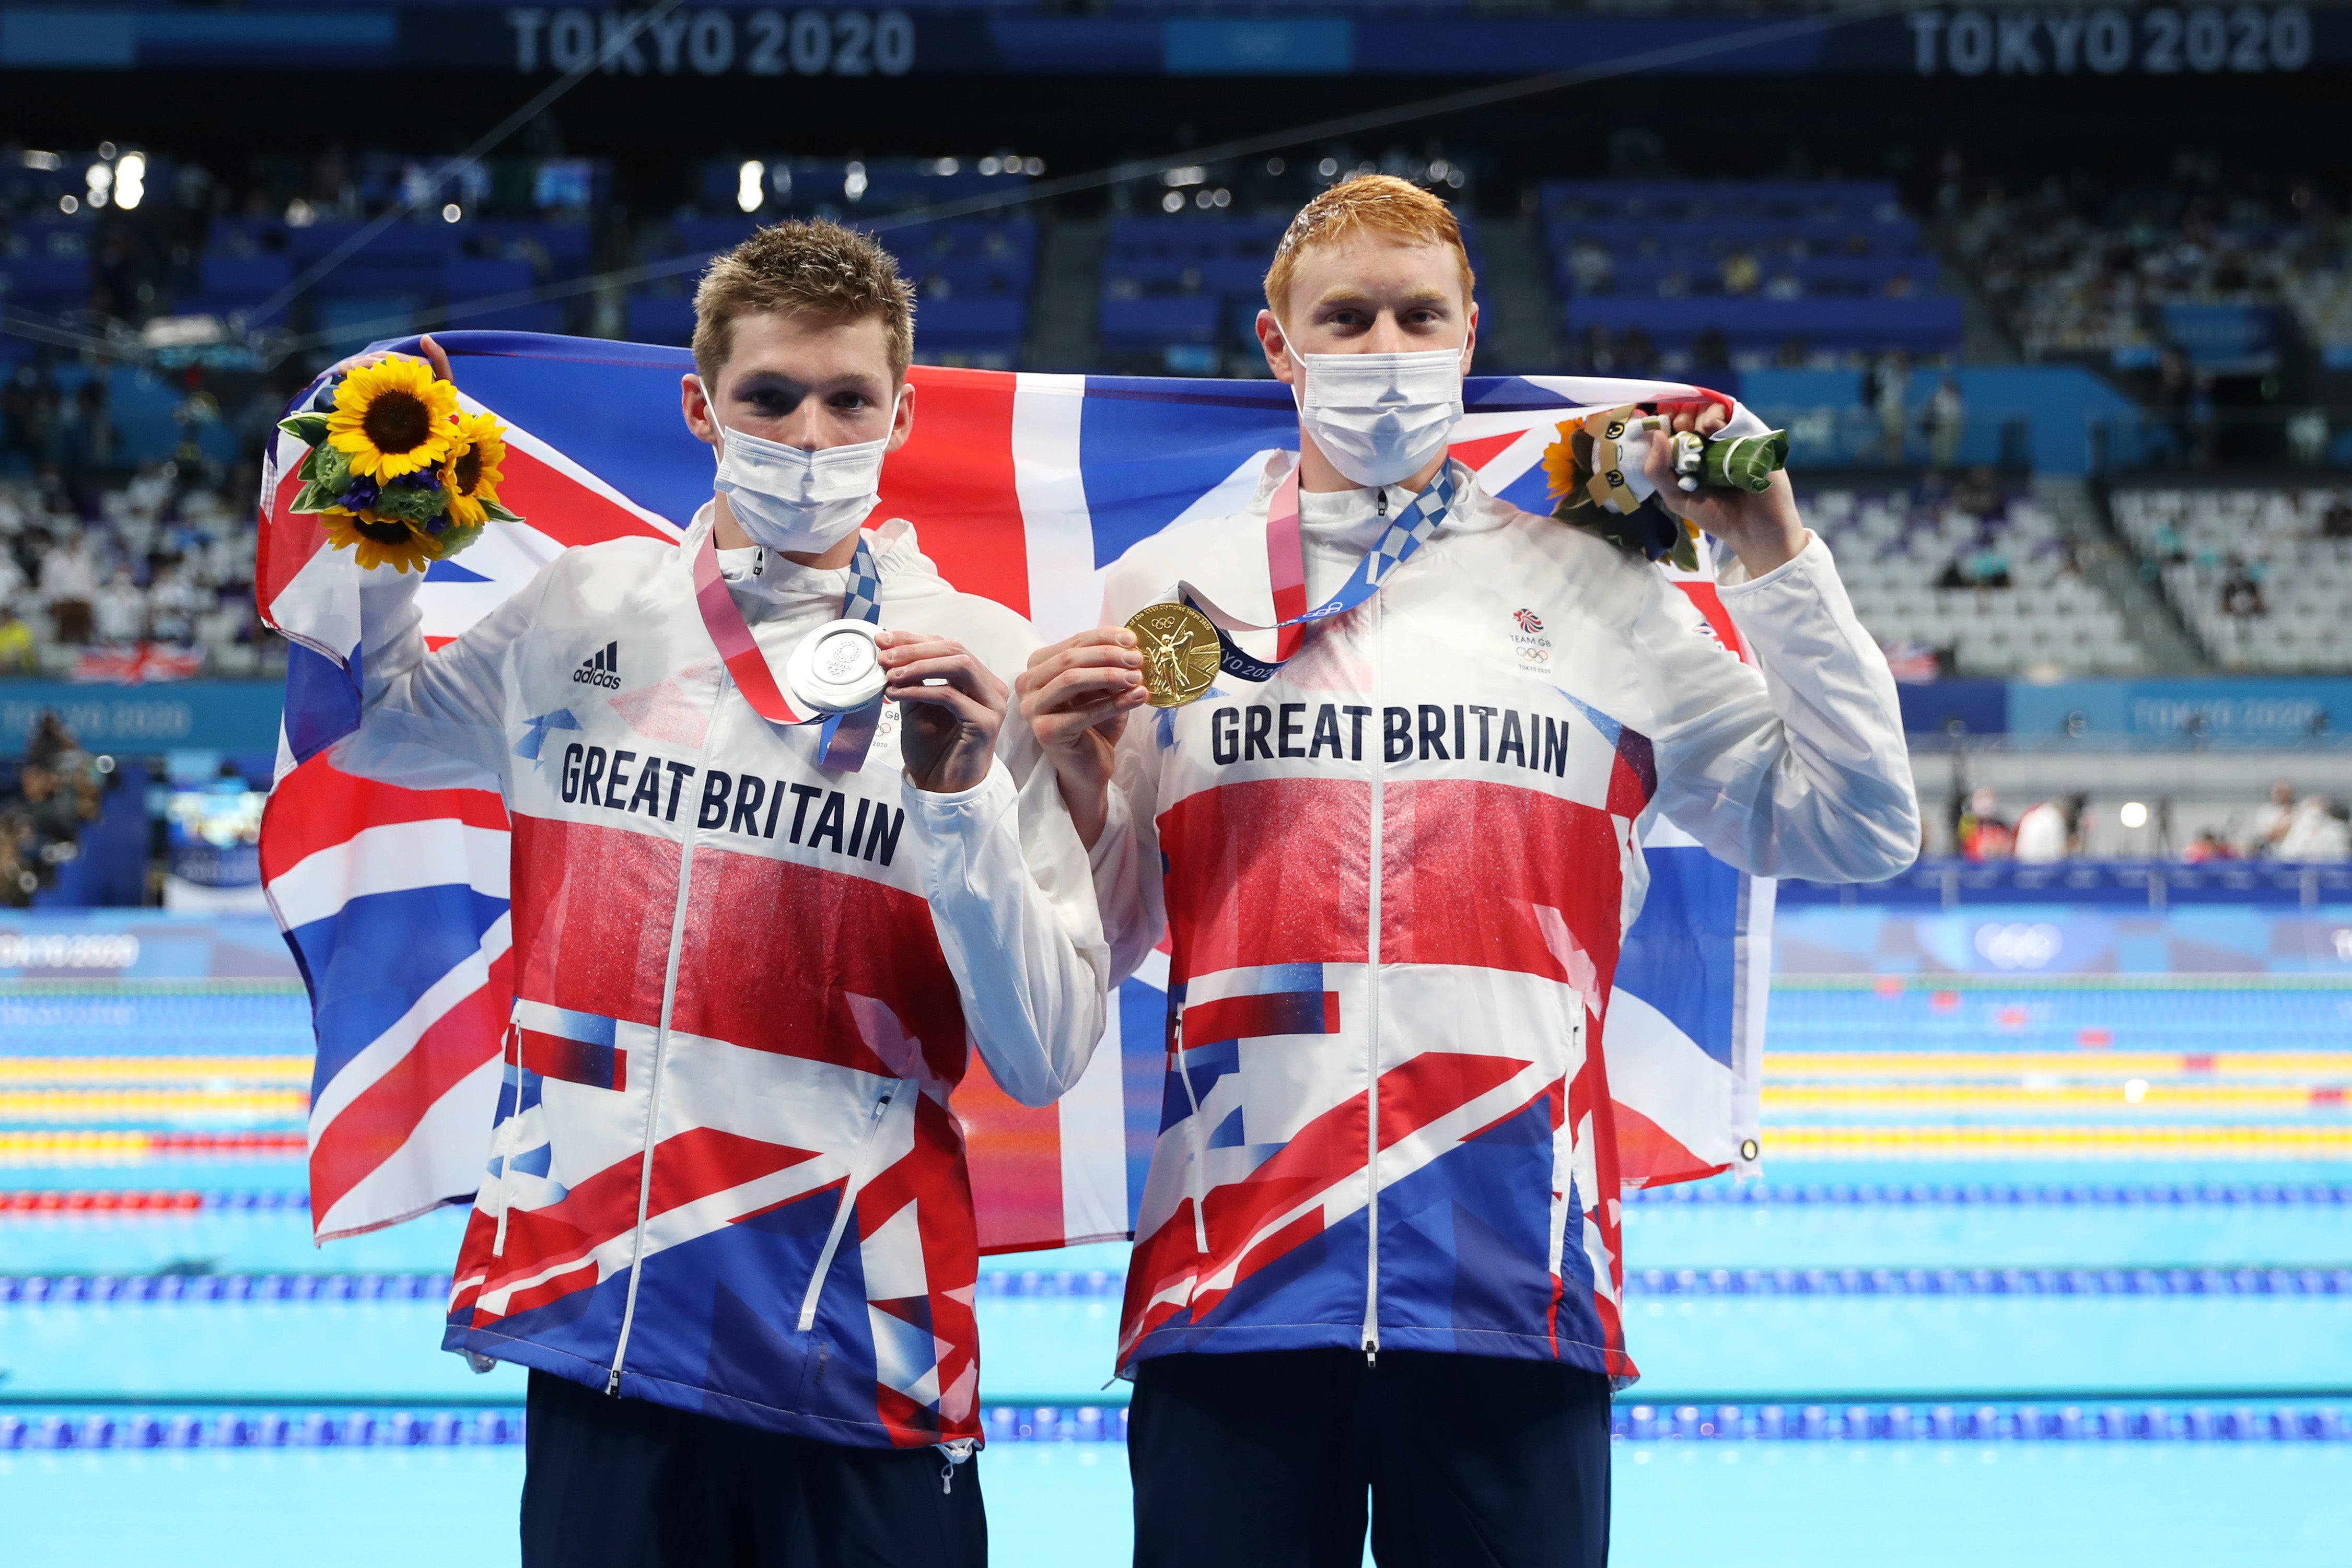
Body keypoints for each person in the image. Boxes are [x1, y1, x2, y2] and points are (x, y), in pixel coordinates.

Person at [1015, 175, 1919, 1568]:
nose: (1384, 348)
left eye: (1416, 315)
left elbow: (1860, 822)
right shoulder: (1170, 589)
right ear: (1278, 343)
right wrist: (1075, 800)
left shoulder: (1599, 589)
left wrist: (1773, 555)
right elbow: (1115, 936)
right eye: (1347, 317)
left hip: (1515, 1275)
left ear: (1468, 331)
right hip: (1234, 1278)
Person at [324, 220, 1112, 1567]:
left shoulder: (981, 656)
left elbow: (1044, 1059)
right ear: (702, 405)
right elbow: (373, 725)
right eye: (771, 397)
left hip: (864, 1322)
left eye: (849, 399)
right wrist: (373, 524)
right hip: (607, 1309)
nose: (811, 434)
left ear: (903, 414)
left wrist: (962, 796)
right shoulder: (582, 608)